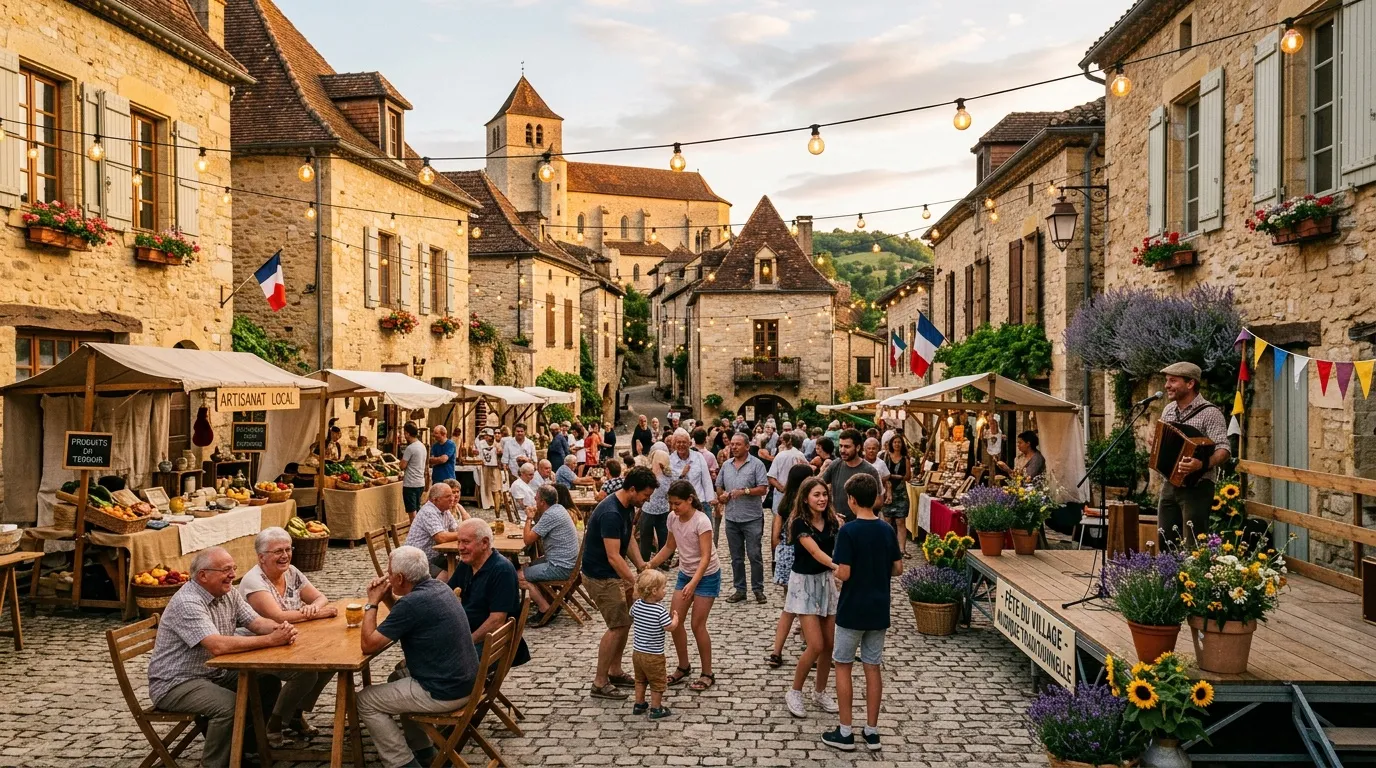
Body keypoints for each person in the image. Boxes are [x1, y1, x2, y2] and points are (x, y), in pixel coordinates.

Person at [146, 547, 300, 767]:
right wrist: (270, 640)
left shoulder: (227, 592)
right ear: (203, 575)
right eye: (226, 570)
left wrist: (281, 628)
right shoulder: (188, 602)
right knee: (227, 706)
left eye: (233, 568)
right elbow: (217, 646)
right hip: (176, 682)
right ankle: (214, 764)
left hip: (214, 673)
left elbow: (256, 623)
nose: (232, 575)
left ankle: (242, 748)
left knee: (267, 682)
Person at [358, 546, 478, 768]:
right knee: (396, 679)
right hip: (467, 682)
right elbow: (407, 617)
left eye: (389, 573)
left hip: (444, 691)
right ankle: (423, 751)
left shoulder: (412, 603)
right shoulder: (439, 588)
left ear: (401, 578)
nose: (387, 577)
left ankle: (402, 763)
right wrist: (387, 598)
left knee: (365, 700)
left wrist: (372, 603)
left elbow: (368, 644)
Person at [823, 473, 903, 752]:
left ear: (852, 501)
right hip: (879, 608)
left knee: (843, 665)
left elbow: (844, 572)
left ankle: (845, 731)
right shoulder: (886, 530)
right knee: (872, 666)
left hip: (853, 608)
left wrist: (833, 569)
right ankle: (871, 730)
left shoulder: (849, 532)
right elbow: (898, 568)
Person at [239, 528, 336, 741]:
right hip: (259, 645)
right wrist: (315, 615)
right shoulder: (254, 581)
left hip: (291, 639)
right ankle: (275, 721)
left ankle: (294, 713)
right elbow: (277, 616)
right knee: (308, 672)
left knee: (331, 663)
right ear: (261, 557)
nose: (285, 555)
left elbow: (320, 597)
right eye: (278, 551)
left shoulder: (291, 571)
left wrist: (314, 607)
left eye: (288, 549)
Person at [583, 466, 658, 699]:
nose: (647, 500)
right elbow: (614, 556)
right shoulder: (611, 513)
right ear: (632, 489)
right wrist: (635, 582)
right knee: (617, 626)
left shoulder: (627, 507)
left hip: (613, 573)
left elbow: (628, 540)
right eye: (645, 495)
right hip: (601, 576)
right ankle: (599, 681)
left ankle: (614, 671)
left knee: (625, 622)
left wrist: (641, 565)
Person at [647, 479, 720, 691]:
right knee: (674, 621)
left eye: (677, 503)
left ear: (690, 500)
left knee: (698, 625)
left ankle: (707, 672)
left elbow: (706, 557)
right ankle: (683, 666)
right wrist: (651, 564)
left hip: (707, 575)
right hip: (686, 573)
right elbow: (670, 546)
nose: (673, 508)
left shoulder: (701, 521)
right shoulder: (672, 518)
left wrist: (694, 583)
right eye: (671, 503)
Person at [1155, 362, 1231, 543]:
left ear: (1190, 384)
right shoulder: (1168, 410)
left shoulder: (1210, 413)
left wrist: (1202, 464)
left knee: (1193, 542)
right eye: (1167, 381)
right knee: (1165, 539)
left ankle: (1192, 572)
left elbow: (1224, 449)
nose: (1167, 386)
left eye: (1173, 381)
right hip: (1169, 484)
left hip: (1198, 486)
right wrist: (1156, 442)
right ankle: (1169, 572)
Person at [784, 477, 840, 720]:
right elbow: (816, 552)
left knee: (829, 644)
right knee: (815, 644)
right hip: (805, 583)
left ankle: (820, 691)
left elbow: (839, 546)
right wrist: (839, 568)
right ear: (805, 498)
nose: (822, 499)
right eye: (816, 495)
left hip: (825, 582)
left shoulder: (832, 521)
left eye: (824, 494)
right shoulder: (799, 523)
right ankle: (795, 691)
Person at [448, 519, 530, 665]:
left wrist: (466, 643)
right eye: (458, 542)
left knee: (438, 664)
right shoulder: (467, 564)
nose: (460, 547)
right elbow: (447, 595)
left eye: (466, 542)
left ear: (484, 543)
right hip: (470, 636)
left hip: (493, 644)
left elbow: (497, 622)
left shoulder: (501, 570)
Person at [767, 463, 817, 668]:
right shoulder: (806, 505)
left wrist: (777, 554)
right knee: (808, 605)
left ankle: (777, 651)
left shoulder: (784, 502)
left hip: (786, 556)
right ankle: (809, 645)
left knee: (791, 604)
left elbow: (774, 535)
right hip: (803, 557)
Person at [716, 432, 769, 604]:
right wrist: (722, 496)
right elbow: (719, 485)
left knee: (754, 555)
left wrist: (744, 491)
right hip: (732, 518)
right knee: (736, 557)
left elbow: (763, 489)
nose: (734, 447)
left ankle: (758, 589)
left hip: (752, 517)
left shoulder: (757, 465)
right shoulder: (726, 465)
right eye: (732, 444)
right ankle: (740, 589)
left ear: (747, 446)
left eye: (738, 444)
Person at [518, 484, 580, 622]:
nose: (534, 498)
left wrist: (528, 518)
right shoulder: (559, 509)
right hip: (568, 563)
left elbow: (528, 540)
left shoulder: (551, 515)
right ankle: (551, 600)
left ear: (542, 502)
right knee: (530, 564)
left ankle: (545, 608)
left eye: (537, 497)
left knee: (519, 576)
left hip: (561, 567)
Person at [628, 569, 681, 720]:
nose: (665, 591)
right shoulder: (660, 610)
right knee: (658, 681)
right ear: (654, 591)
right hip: (654, 654)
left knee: (640, 679)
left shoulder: (637, 605)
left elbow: (631, 614)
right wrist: (675, 619)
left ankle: (639, 704)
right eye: (663, 588)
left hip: (637, 653)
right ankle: (656, 708)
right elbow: (669, 627)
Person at [404, 482, 464, 578]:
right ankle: (438, 592)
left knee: (464, 566)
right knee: (447, 576)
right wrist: (464, 534)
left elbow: (456, 529)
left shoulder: (445, 511)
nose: (452, 498)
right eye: (448, 496)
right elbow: (441, 538)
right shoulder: (429, 511)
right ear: (436, 499)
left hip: (433, 557)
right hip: (416, 560)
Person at [821, 429, 878, 522]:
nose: (842, 450)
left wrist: (859, 509)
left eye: (847, 447)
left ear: (858, 447)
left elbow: (878, 501)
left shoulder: (870, 470)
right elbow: (820, 485)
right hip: (837, 523)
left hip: (861, 524)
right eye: (840, 446)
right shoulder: (835, 465)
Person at [876, 434, 913, 554]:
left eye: (899, 442)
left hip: (901, 492)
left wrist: (897, 476)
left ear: (902, 445)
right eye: (895, 442)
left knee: (900, 521)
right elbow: (881, 474)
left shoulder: (905, 458)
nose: (897, 444)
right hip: (887, 491)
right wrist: (892, 478)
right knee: (887, 521)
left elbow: (908, 477)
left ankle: (902, 549)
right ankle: (888, 547)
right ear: (891, 444)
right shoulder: (885, 456)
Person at [638, 450, 674, 562]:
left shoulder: (662, 475)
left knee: (653, 537)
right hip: (654, 509)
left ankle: (657, 560)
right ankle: (650, 561)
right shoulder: (665, 476)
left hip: (656, 509)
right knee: (651, 536)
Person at [399, 423, 428, 518]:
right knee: (417, 508)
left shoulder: (410, 448)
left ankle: (415, 531)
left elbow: (402, 465)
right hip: (420, 482)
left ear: (407, 433)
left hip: (410, 483)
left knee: (412, 512)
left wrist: (400, 463)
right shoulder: (422, 446)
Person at [476, 428, 501, 510]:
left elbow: (500, 452)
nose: (488, 438)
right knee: (485, 485)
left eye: (490, 436)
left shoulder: (496, 444)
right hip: (485, 466)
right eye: (486, 436)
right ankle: (486, 503)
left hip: (494, 467)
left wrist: (499, 452)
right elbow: (476, 451)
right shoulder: (481, 443)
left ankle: (495, 504)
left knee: (495, 486)